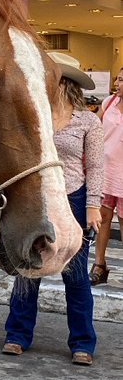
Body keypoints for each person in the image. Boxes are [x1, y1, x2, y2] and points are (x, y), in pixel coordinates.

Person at [2, 51, 103, 366]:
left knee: (76, 276)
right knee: (28, 268)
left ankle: (82, 342)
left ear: (67, 83)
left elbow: (96, 168)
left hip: (73, 198)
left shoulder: (87, 120)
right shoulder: (37, 114)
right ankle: (17, 335)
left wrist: (93, 207)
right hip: (37, 198)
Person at [89, 68, 123, 286]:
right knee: (103, 221)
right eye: (118, 79)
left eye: (122, 80)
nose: (118, 83)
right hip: (106, 171)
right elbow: (94, 128)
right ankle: (99, 265)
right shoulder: (109, 102)